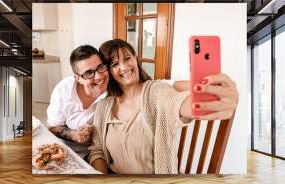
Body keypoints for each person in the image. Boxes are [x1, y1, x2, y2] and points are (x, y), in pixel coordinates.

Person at [88, 39, 239, 174]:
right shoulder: (104, 106)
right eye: (115, 64)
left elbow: (175, 102)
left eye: (127, 58)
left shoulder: (156, 91)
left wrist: (203, 104)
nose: (124, 67)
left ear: (136, 58)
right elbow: (97, 150)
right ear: (107, 71)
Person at [47, 45, 109, 158]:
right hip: (65, 151)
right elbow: (52, 127)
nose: (99, 76)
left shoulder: (113, 90)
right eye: (89, 73)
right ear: (77, 78)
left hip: (99, 153)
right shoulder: (63, 90)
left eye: (100, 67)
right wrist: (73, 135)